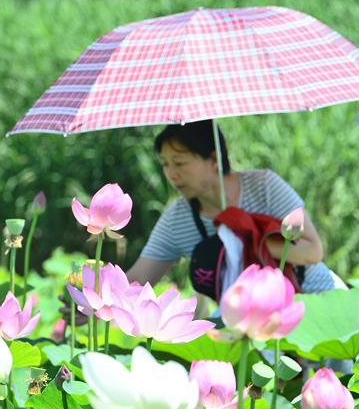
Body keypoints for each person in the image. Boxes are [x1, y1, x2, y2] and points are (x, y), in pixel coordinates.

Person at [126, 119, 340, 294]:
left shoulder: (264, 186)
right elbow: (137, 280)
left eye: (180, 163)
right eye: (165, 164)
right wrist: (95, 302)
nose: (171, 174)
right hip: (250, 321)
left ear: (214, 159)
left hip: (316, 299)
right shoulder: (177, 219)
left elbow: (313, 250)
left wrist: (247, 242)